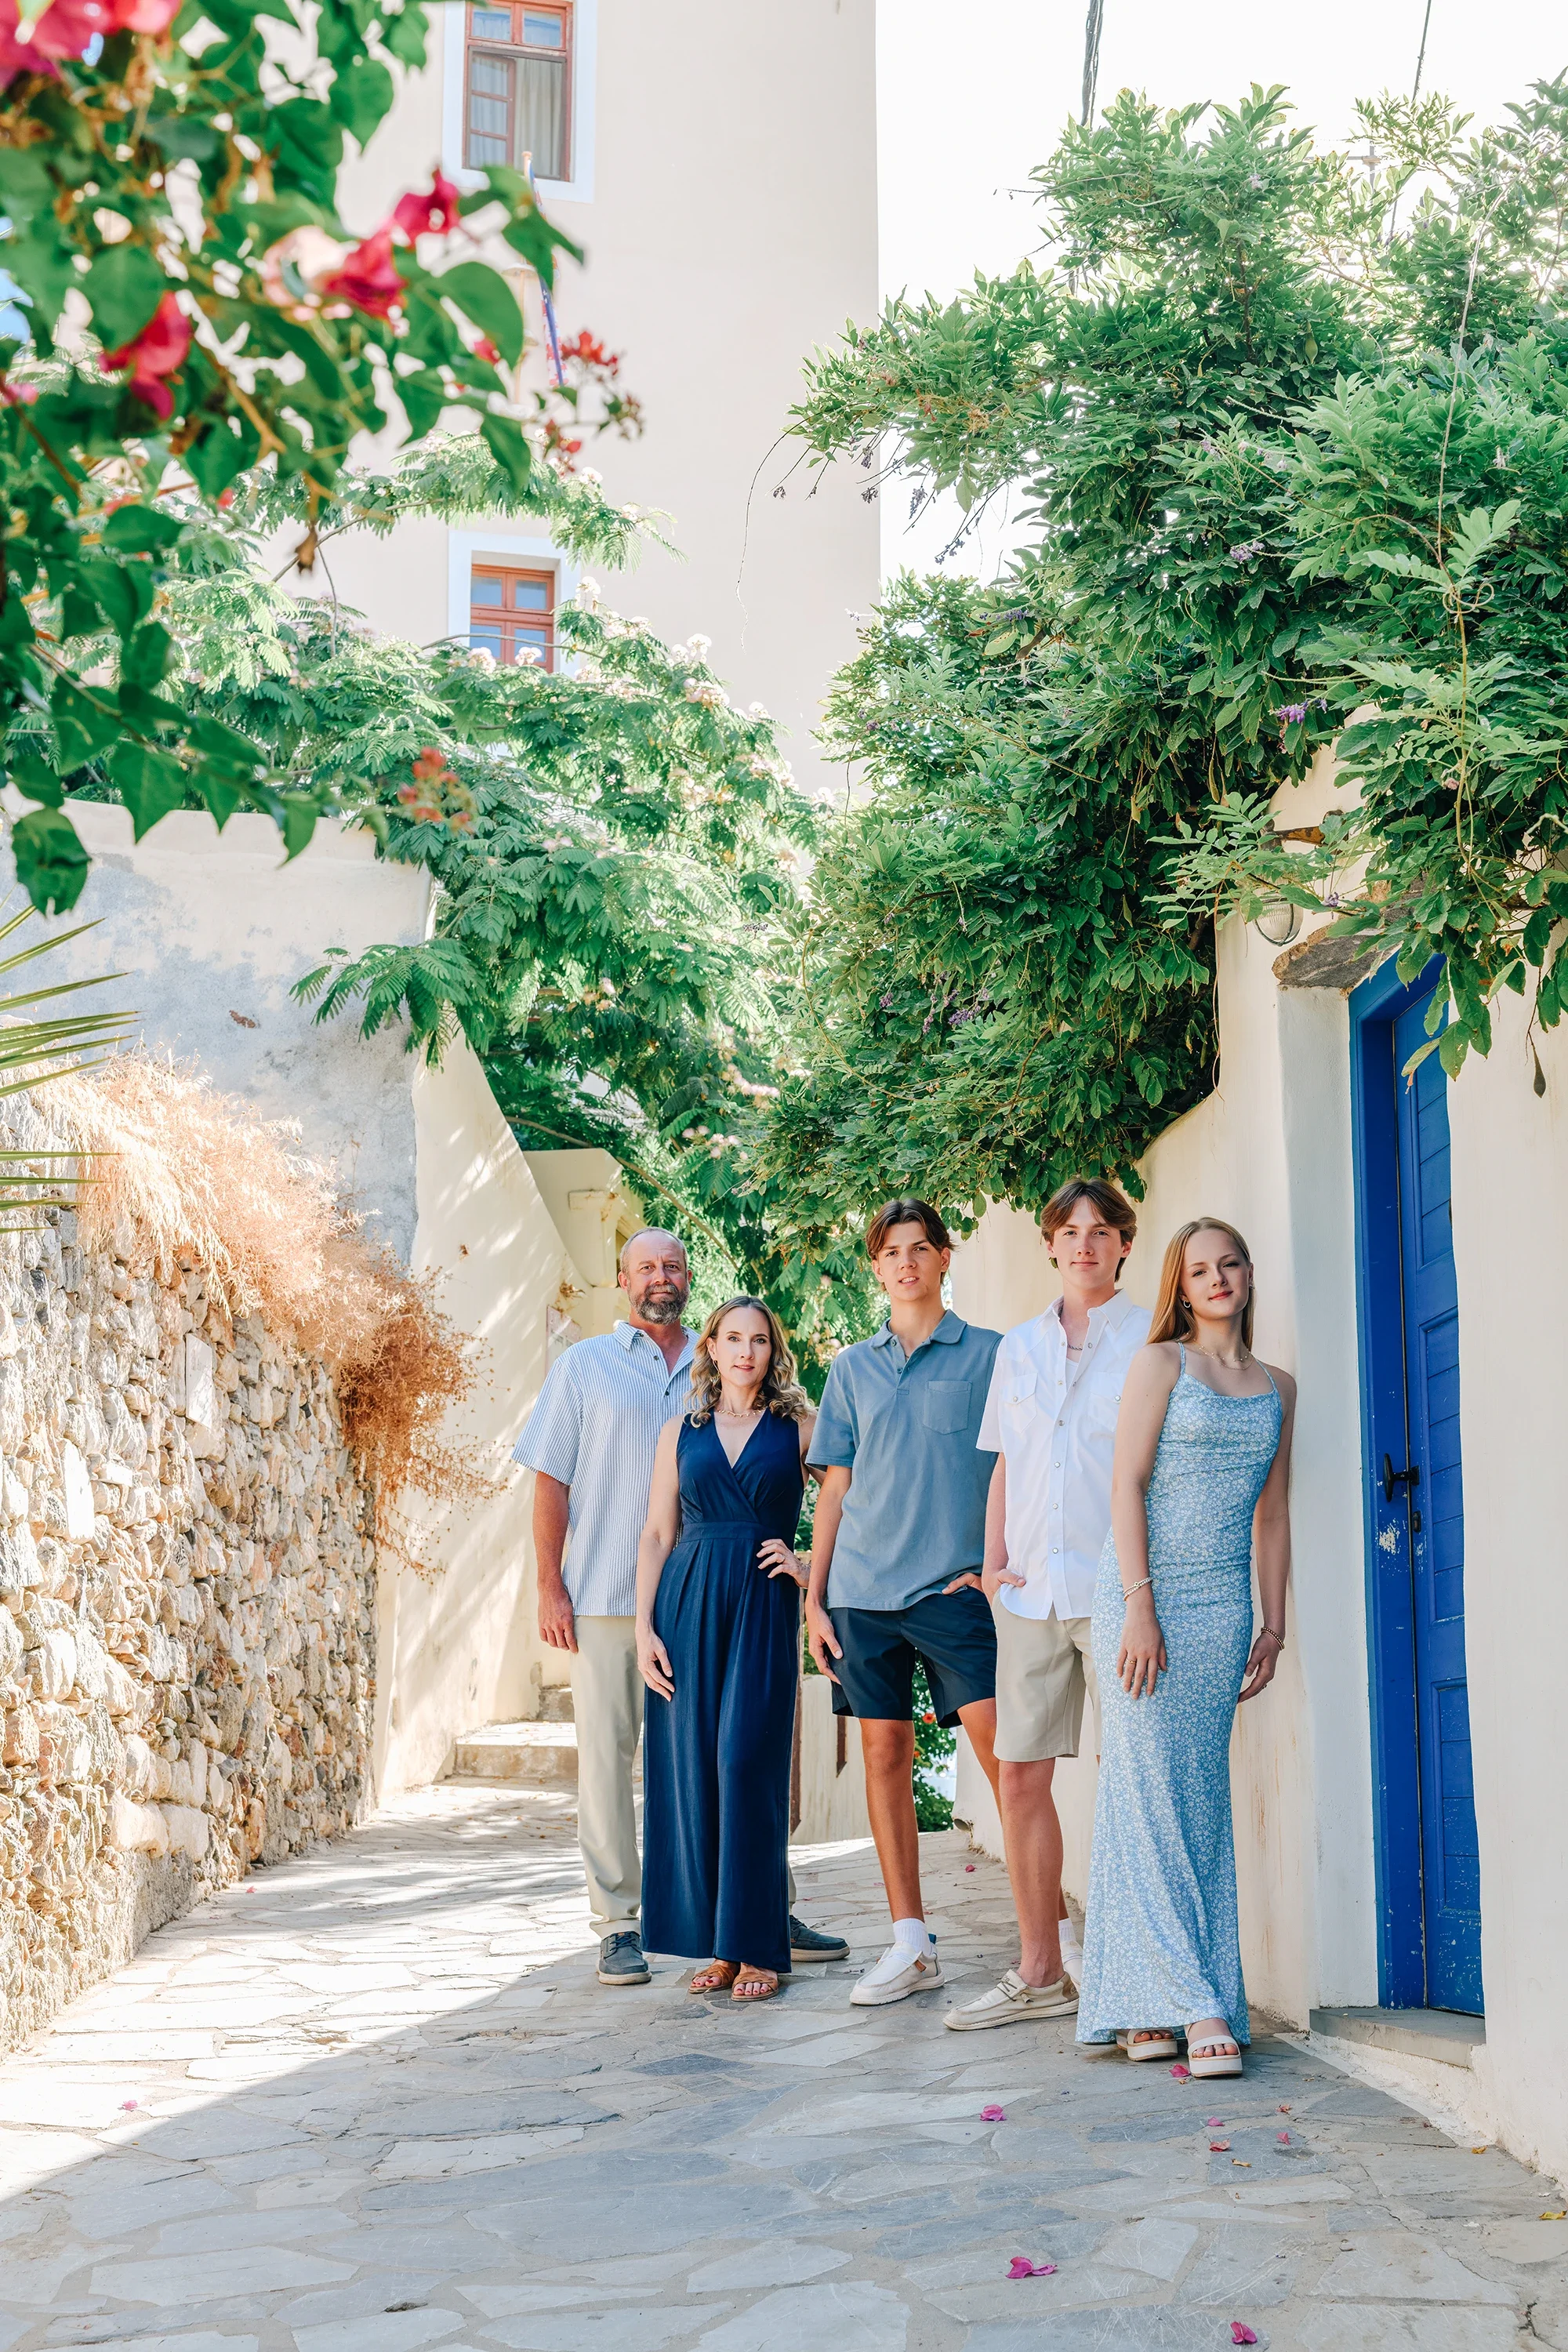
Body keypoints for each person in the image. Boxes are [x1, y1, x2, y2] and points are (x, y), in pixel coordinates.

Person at [514, 1227, 848, 1988]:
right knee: (611, 1762)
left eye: (672, 1265)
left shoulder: (717, 1385)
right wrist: (548, 1584)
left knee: (738, 1753)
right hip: (608, 1593)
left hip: (729, 1596)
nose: (659, 1276)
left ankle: (759, 1910)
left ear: (687, 1279)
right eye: (644, 1267)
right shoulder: (583, 1368)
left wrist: (806, 1567)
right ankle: (619, 1923)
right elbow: (549, 1481)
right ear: (622, 1278)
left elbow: (828, 1481)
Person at [1076, 1217, 1295, 2079]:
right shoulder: (1160, 1363)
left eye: (1228, 1263)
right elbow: (1123, 1484)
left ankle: (1142, 2004)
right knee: (1148, 1792)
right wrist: (1138, 1605)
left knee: (1188, 1800)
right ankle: (1198, 2003)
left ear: (1246, 1275)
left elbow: (1270, 1516)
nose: (1215, 1279)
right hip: (1142, 1599)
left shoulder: (1278, 1384)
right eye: (1198, 1268)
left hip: (1219, 1614)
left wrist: (1271, 1622)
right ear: (1180, 1282)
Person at [946, 1178, 1151, 2033]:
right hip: (1030, 1592)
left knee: (1136, 1779)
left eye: (1100, 1231)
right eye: (1069, 1232)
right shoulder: (1018, 1349)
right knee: (1020, 1776)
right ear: (1048, 1245)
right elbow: (1004, 1462)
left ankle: (1142, 1982)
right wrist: (994, 1566)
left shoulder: (1151, 1339)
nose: (1083, 1246)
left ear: (1123, 1245)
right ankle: (1039, 1971)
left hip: (1114, 1587)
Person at [805, 1197, 1004, 2006]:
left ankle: (1048, 1934)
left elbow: (1014, 1468)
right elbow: (835, 1487)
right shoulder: (850, 1369)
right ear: (876, 1267)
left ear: (943, 1258)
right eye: (891, 1251)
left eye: (920, 1248)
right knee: (883, 1758)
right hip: (859, 1592)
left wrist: (997, 1566)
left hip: (953, 1588)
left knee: (1005, 1759)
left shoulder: (989, 1354)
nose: (906, 1263)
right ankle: (909, 1941)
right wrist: (814, 1600)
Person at [636, 1297, 818, 2002]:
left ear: (774, 1352)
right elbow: (657, 1532)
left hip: (763, 1601)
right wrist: (644, 1628)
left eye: (760, 1341)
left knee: (747, 1762)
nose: (746, 1352)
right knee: (692, 1769)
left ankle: (757, 1944)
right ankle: (720, 1944)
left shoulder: (800, 1425)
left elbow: (850, 1501)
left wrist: (806, 1565)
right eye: (733, 1339)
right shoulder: (681, 1431)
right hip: (687, 1603)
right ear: (710, 1347)